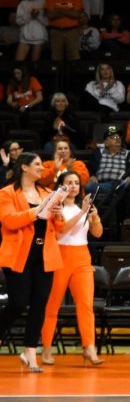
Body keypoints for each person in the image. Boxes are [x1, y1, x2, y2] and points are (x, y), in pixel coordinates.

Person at [0, 153, 62, 372]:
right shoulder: (6, 193)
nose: (41, 168)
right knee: (17, 303)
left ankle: (29, 352)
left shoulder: (47, 193)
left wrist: (58, 213)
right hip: (19, 255)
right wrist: (37, 211)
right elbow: (9, 221)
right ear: (24, 167)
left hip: (44, 255)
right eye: (37, 164)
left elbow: (59, 227)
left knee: (39, 305)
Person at [41, 170, 104, 366]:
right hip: (59, 256)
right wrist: (83, 212)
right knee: (52, 307)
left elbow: (98, 233)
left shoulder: (83, 207)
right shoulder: (55, 207)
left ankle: (89, 348)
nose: (74, 185)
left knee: (86, 306)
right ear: (61, 185)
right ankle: (46, 350)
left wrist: (94, 218)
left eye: (76, 182)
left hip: (82, 258)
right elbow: (60, 230)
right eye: (69, 182)